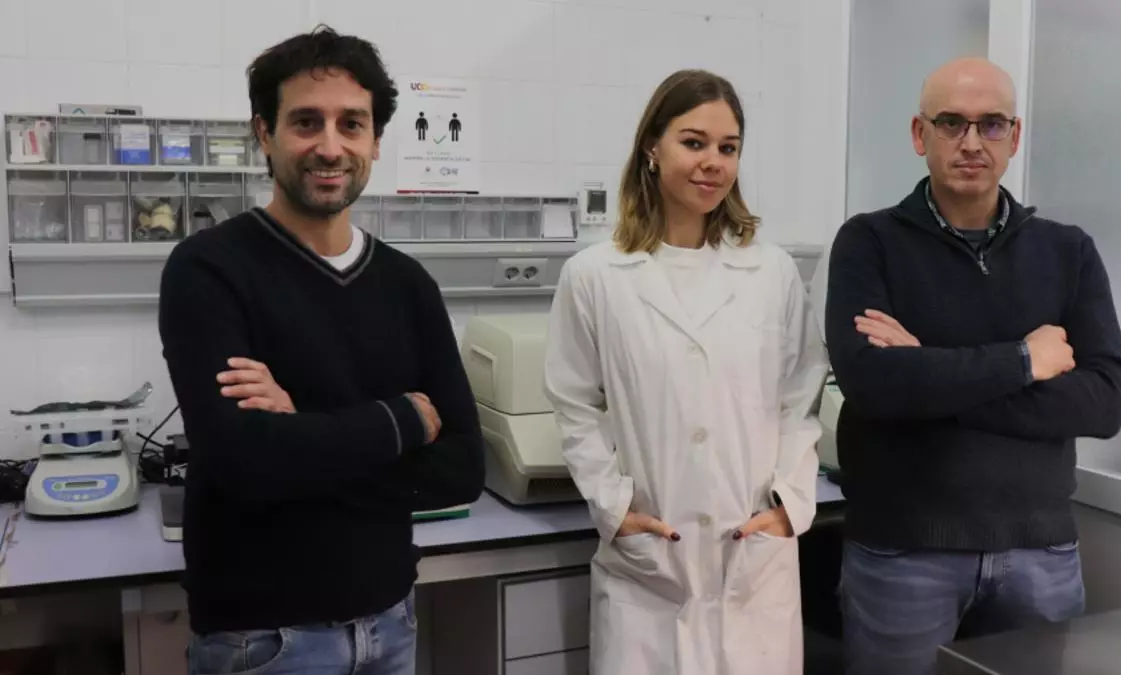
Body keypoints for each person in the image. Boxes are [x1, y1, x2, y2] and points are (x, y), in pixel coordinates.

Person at [157, 26, 484, 675]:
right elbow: (244, 463)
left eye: (351, 124)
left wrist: (299, 428)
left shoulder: (408, 285)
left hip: (391, 623)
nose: (330, 147)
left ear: (376, 140)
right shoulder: (208, 270)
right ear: (265, 133)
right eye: (306, 121)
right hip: (262, 641)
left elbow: (461, 470)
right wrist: (401, 419)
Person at [825, 57, 1121, 675]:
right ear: (920, 134)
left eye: (991, 124)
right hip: (903, 553)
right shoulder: (868, 242)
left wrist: (929, 371)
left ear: (1014, 137)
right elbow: (874, 385)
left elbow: (1103, 403)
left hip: (1040, 551)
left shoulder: (1068, 251)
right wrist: (1025, 359)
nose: (971, 142)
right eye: (951, 123)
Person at [543, 69, 827, 675]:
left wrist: (788, 506)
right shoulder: (594, 276)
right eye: (693, 142)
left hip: (753, 558)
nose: (712, 163)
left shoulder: (771, 272)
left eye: (728, 147)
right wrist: (614, 508)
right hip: (651, 564)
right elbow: (574, 405)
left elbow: (801, 399)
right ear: (653, 147)